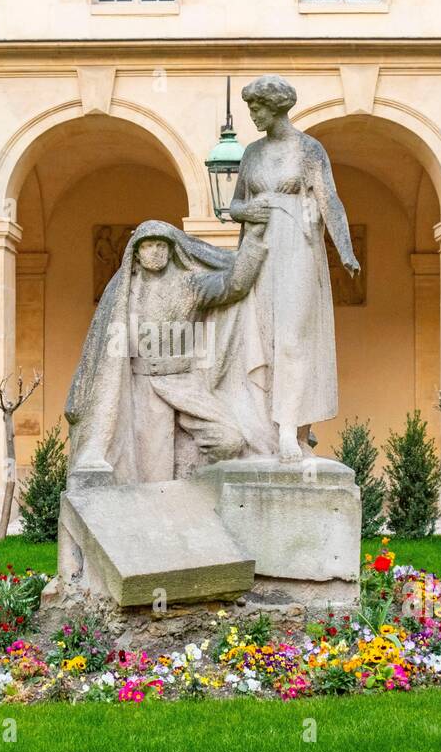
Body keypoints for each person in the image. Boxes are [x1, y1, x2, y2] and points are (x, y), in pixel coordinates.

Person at [65, 219, 273, 484]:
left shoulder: (189, 284)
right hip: (143, 386)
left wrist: (254, 240)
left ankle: (197, 489)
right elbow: (105, 349)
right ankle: (168, 509)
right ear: (137, 254)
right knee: (153, 475)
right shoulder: (124, 292)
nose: (155, 251)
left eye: (161, 245)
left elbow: (234, 285)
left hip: (185, 382)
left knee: (229, 439)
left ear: (172, 250)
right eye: (148, 246)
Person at [229, 74, 361, 462]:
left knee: (293, 338)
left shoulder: (308, 149)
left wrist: (346, 250)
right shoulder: (251, 153)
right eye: (251, 107)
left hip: (298, 248)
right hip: (260, 251)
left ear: (276, 108)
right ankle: (264, 429)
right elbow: (235, 204)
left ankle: (290, 429)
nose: (252, 115)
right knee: (262, 339)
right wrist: (247, 209)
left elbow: (329, 201)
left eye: (257, 108)